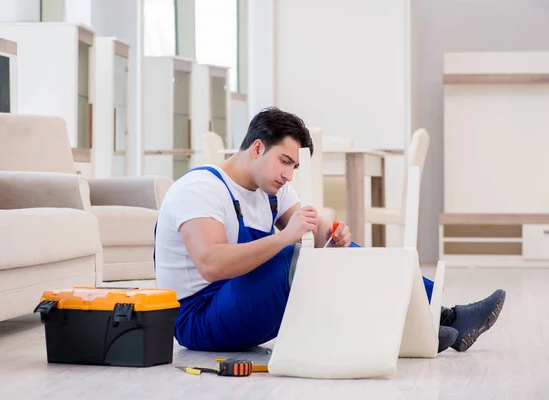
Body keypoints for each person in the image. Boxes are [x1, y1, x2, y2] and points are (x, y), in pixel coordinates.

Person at [154, 107, 506, 354]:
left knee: (335, 255)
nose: (290, 174)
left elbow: (311, 224)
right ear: (258, 148)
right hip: (198, 317)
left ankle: (442, 317)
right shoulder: (200, 189)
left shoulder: (271, 187)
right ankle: (413, 328)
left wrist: (332, 233)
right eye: (285, 162)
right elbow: (210, 263)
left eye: (294, 165)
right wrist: (285, 237)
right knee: (295, 258)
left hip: (236, 301)